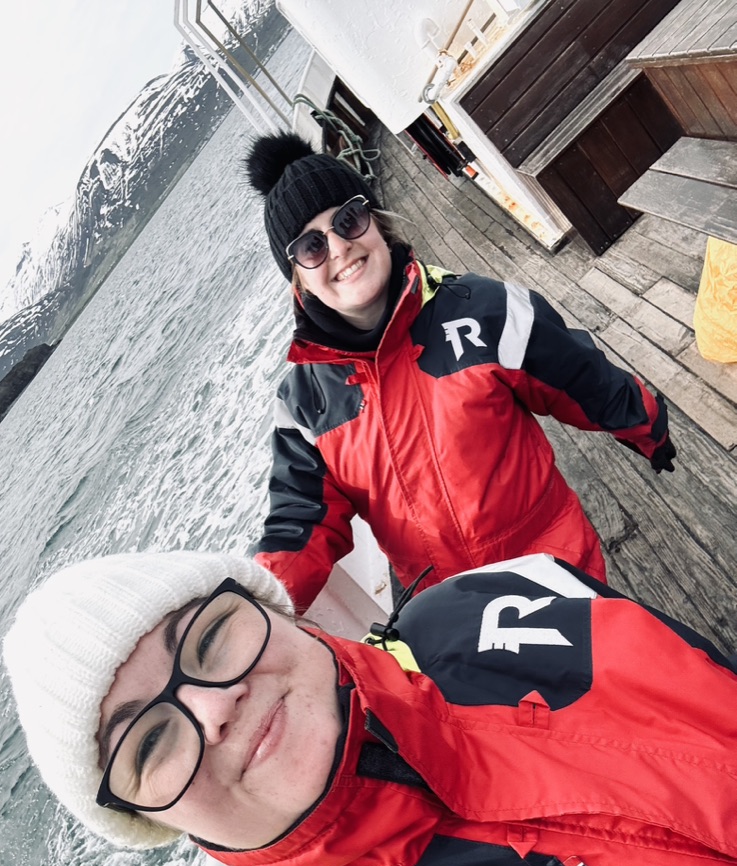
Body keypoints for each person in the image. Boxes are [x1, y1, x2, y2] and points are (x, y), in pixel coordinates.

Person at [5, 548, 737, 866]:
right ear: (149, 819)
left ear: (271, 609)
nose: (212, 704)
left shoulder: (497, 596)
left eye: (208, 639)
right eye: (150, 741)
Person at [244, 132, 677, 613]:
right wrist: (255, 611)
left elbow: (579, 376)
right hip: (456, 620)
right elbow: (300, 519)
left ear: (377, 222)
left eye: (348, 219)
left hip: (557, 575)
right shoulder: (303, 402)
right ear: (298, 277)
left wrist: (646, 424)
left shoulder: (485, 309)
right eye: (310, 246)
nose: (340, 248)